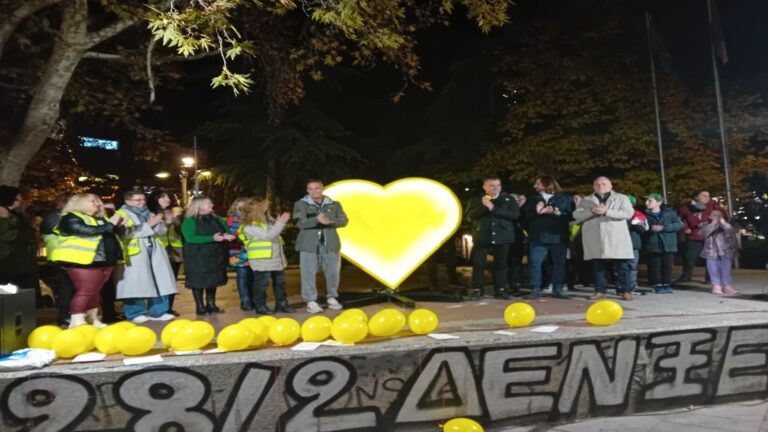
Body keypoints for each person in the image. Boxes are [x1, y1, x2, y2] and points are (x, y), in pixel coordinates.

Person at [51, 193, 122, 328]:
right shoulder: (70, 217)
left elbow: (111, 234)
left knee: (95, 291)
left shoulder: (101, 218)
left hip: (103, 261)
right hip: (81, 261)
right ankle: (77, 319)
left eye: (98, 200)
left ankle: (92, 318)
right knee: (86, 290)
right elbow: (85, 230)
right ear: (79, 203)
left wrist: (117, 226)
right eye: (92, 201)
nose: (98, 203)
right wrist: (110, 225)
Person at [113, 191, 177, 323]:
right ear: (128, 201)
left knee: (160, 281)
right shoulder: (121, 214)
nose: (142, 202)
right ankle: (135, 313)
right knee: (135, 284)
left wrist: (163, 223)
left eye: (143, 200)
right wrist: (149, 225)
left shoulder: (149, 213)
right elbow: (124, 233)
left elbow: (160, 231)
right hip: (135, 252)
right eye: (138, 200)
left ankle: (158, 311)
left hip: (154, 249)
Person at [573, 177, 635, 301]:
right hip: (595, 236)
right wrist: (592, 211)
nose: (600, 186)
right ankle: (600, 290)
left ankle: (626, 290)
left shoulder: (622, 198)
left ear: (611, 185)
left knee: (622, 264)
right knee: (598, 265)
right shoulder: (586, 200)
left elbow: (628, 213)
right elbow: (576, 214)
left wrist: (607, 211)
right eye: (597, 184)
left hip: (616, 236)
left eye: (604, 184)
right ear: (593, 186)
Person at [293, 179, 349, 314]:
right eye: (310, 189)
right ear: (307, 190)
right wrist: (316, 220)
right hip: (308, 245)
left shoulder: (334, 204)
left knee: (333, 273)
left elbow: (344, 220)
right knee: (308, 274)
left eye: (317, 188)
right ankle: (310, 301)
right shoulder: (300, 204)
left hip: (331, 244)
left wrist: (329, 222)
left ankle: (332, 297)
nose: (314, 191)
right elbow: (300, 223)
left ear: (322, 188)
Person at [465, 176, 520, 300]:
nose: (496, 188)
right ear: (484, 187)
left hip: (503, 237)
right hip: (482, 236)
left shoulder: (508, 199)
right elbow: (470, 216)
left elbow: (515, 215)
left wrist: (493, 208)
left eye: (498, 185)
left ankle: (500, 289)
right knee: (479, 264)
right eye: (492, 185)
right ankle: (478, 290)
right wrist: (485, 207)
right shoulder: (476, 200)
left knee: (501, 264)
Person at [182, 196, 234, 315]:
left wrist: (226, 236)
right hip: (197, 256)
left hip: (215, 255)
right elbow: (190, 238)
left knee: (212, 280)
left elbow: (225, 231)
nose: (212, 205)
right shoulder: (190, 220)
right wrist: (212, 238)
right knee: (198, 281)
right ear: (199, 205)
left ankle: (211, 304)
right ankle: (200, 306)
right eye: (208, 203)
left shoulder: (217, 219)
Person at [522, 176, 571, 299]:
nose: (535, 186)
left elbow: (570, 215)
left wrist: (558, 213)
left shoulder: (564, 198)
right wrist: (538, 212)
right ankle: (535, 289)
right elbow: (525, 216)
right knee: (535, 262)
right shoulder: (532, 199)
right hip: (537, 236)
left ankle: (558, 289)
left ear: (547, 184)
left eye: (538, 184)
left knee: (559, 263)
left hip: (558, 236)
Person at [241, 198, 293, 314]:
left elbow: (276, 235)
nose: (267, 208)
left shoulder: (268, 222)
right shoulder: (250, 226)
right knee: (261, 284)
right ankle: (260, 306)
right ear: (257, 209)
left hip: (275, 258)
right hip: (261, 260)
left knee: (280, 282)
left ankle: (282, 304)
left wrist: (279, 222)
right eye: (264, 207)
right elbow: (268, 236)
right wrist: (280, 222)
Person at [0, 186, 40, 303]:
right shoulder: (4, 215)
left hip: (18, 265)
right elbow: (5, 235)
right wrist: (30, 229)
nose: (21, 201)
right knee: (16, 300)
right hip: (12, 265)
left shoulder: (14, 215)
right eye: (18, 198)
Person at [40, 194, 76, 326]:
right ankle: (64, 316)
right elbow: (66, 231)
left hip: (66, 256)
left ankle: (68, 315)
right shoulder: (53, 217)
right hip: (60, 256)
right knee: (66, 287)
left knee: (69, 286)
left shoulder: (59, 216)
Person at [677, 190, 724, 283]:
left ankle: (710, 278)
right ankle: (686, 275)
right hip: (694, 235)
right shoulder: (687, 207)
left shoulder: (714, 206)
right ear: (696, 197)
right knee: (689, 256)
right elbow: (679, 219)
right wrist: (685, 228)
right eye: (703, 195)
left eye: (708, 195)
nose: (707, 197)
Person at [149, 190, 184, 316]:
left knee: (172, 280)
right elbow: (153, 231)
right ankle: (157, 308)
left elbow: (181, 230)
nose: (167, 200)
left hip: (175, 250)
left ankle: (169, 307)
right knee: (159, 280)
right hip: (159, 250)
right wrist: (167, 222)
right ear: (155, 199)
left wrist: (178, 219)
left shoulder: (174, 212)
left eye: (168, 197)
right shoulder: (150, 213)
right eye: (163, 198)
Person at [643, 193, 683, 294]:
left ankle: (667, 283)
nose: (647, 203)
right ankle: (657, 284)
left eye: (650, 201)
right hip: (653, 243)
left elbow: (679, 224)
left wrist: (664, 228)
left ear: (659, 203)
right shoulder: (645, 215)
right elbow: (642, 228)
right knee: (655, 265)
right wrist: (650, 229)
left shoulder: (670, 213)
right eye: (647, 200)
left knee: (667, 265)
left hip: (668, 243)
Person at [226, 197, 254, 311]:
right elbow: (232, 234)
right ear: (236, 207)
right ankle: (245, 300)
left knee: (252, 277)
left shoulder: (252, 218)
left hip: (252, 251)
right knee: (243, 276)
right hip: (238, 251)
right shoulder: (233, 219)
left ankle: (252, 299)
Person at [700, 209, 738, 295]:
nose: (717, 217)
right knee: (713, 268)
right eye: (714, 215)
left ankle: (727, 285)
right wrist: (713, 224)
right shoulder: (706, 225)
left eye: (719, 215)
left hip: (726, 250)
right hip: (711, 250)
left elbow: (731, 231)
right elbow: (704, 233)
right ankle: (716, 285)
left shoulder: (728, 225)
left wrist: (724, 224)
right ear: (710, 217)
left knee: (726, 268)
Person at [626, 195, 648, 293]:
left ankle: (632, 285)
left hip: (634, 244)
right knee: (621, 266)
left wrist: (634, 224)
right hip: (620, 244)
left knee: (632, 266)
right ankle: (621, 285)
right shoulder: (616, 214)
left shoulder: (638, 214)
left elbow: (644, 229)